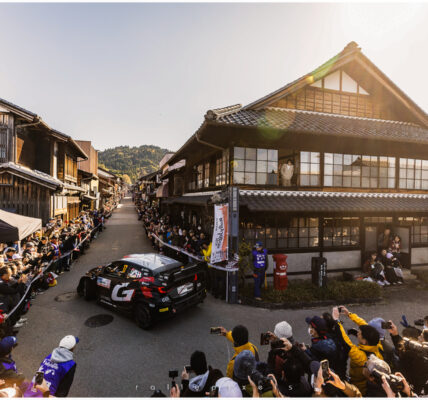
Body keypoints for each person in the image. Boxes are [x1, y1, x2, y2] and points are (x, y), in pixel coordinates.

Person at [332, 306, 384, 395]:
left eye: (359, 334)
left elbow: (346, 342)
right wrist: (349, 314)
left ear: (364, 341)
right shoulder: (377, 344)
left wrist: (337, 321)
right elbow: (366, 327)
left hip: (359, 389)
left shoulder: (361, 357)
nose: (357, 334)